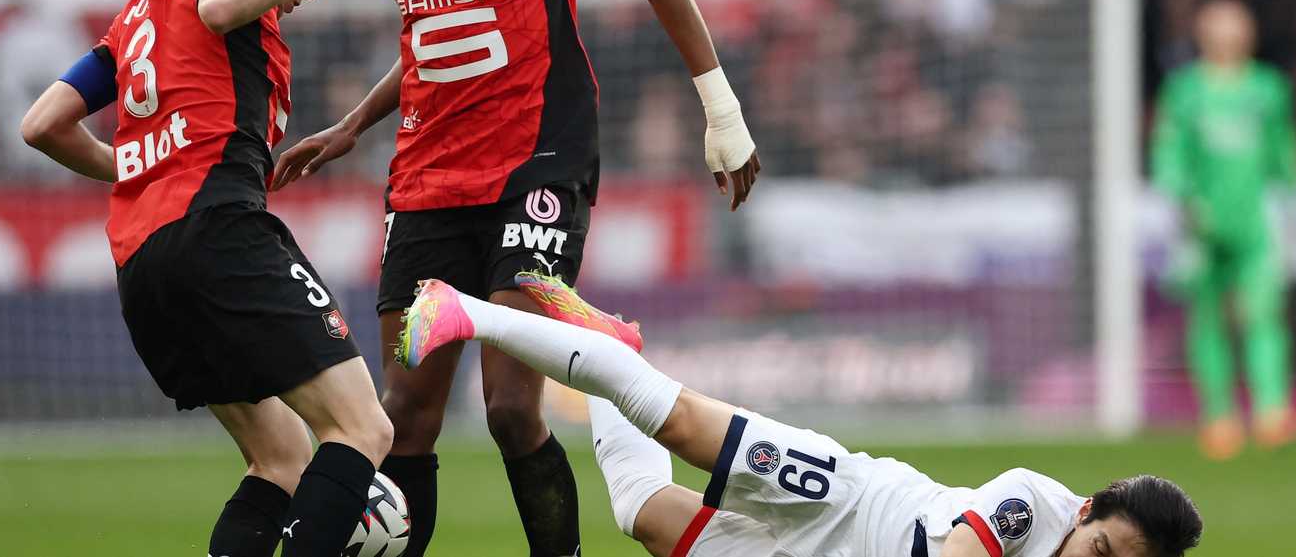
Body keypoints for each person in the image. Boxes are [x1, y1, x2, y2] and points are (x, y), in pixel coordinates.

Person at [270, 0, 762, 557]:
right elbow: (436, 38)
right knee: (404, 415)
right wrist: (354, 123)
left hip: (537, 167)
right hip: (428, 180)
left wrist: (722, 110)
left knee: (508, 407)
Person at [19, 0, 394, 557]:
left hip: (143, 264)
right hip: (216, 228)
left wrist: (135, 163)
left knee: (282, 457)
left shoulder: (136, 16)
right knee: (363, 427)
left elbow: (42, 124)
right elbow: (221, 4)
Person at [393, 276, 1204, 557]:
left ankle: (608, 351)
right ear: (1087, 510)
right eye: (1100, 551)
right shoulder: (1032, 502)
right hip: (842, 499)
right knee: (680, 423)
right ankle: (468, 310)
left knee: (639, 511)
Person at [1150, 0, 1296, 459]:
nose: (1230, 35)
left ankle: (1272, 411)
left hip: (1255, 222)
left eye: (1236, 26)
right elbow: (1169, 149)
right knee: (1208, 318)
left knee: (1262, 313)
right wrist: (1182, 196)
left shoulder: (1268, 88)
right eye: (1220, 27)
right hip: (1203, 223)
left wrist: (1294, 192)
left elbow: (1283, 145)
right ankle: (1219, 416)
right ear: (1204, 35)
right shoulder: (1185, 90)